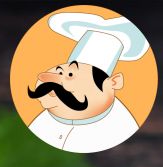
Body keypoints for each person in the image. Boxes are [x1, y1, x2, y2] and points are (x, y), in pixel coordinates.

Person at [27, 11, 150, 153]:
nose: (54, 81)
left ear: (113, 83)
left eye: (71, 75)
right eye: (59, 71)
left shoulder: (119, 128)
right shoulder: (43, 119)